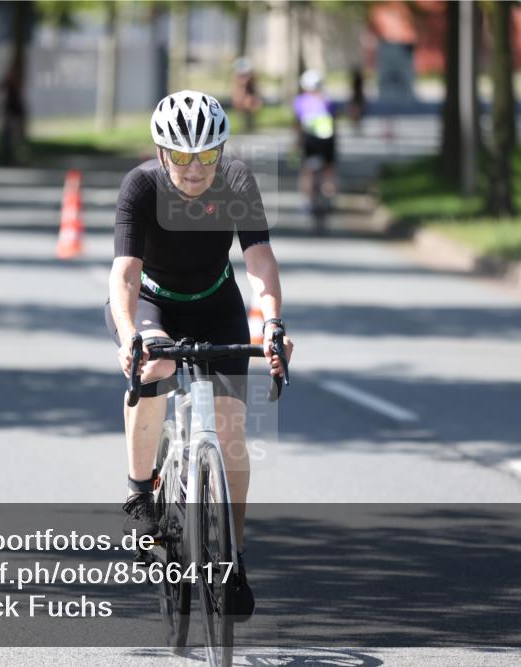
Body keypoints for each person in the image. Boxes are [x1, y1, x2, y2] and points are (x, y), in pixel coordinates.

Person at [105, 90, 294, 621]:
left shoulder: (236, 182)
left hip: (216, 303)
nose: (194, 169)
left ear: (221, 151)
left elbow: (258, 259)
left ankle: (231, 558)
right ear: (162, 152)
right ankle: (140, 493)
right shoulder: (140, 186)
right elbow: (124, 273)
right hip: (151, 304)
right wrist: (128, 336)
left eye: (206, 156)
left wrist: (273, 321)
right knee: (157, 366)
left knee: (232, 429)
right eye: (182, 157)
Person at [293, 69, 338, 202]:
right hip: (327, 139)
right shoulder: (328, 101)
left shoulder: (300, 101)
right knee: (329, 169)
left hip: (310, 139)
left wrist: (296, 142)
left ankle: (308, 198)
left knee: (308, 170)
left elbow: (298, 123)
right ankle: (330, 195)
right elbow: (334, 123)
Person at [231, 56, 262, 134]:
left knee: (250, 106)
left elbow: (256, 91)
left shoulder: (252, 80)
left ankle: (250, 126)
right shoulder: (238, 80)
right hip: (242, 99)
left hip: (249, 98)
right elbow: (236, 93)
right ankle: (242, 126)